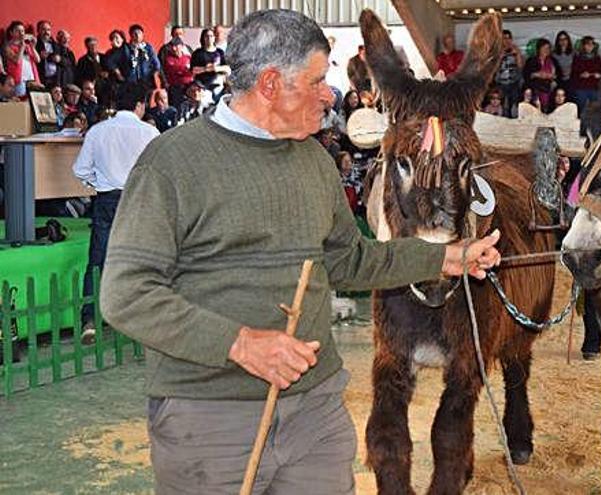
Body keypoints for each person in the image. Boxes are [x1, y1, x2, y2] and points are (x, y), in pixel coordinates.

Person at [99, 9, 501, 494]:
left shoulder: (314, 160)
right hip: (210, 420)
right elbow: (125, 293)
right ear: (270, 83)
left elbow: (348, 260)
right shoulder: (172, 164)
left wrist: (446, 258)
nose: (329, 93)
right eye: (316, 80)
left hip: (315, 415)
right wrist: (240, 344)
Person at [73, 82, 159, 342]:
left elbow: (80, 170)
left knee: (98, 260)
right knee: (141, 260)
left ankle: (89, 320)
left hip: (107, 200)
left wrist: (96, 183)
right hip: (138, 200)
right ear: (140, 105)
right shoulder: (150, 133)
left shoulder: (98, 131)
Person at [190, 28, 230, 102]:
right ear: (203, 38)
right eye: (207, 36)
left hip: (217, 84)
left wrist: (215, 68)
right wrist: (205, 69)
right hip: (202, 85)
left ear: (214, 38)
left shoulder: (219, 52)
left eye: (211, 36)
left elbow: (227, 68)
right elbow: (193, 70)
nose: (209, 38)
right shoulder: (197, 53)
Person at [4, 21, 41, 96]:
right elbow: (17, 61)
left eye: (23, 31)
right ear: (11, 33)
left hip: (32, 79)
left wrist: (33, 47)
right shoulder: (8, 47)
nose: (21, 33)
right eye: (18, 31)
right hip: (19, 81)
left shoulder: (27, 45)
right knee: (21, 103)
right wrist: (22, 46)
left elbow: (38, 60)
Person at [523, 38, 560, 110]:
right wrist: (537, 74)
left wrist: (551, 76)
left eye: (548, 48)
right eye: (544, 48)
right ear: (539, 49)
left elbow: (559, 75)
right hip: (535, 90)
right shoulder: (531, 60)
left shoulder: (553, 61)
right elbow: (526, 75)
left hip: (549, 90)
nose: (546, 50)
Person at [570, 35, 601, 114]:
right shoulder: (577, 58)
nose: (590, 47)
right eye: (588, 44)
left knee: (596, 110)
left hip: (594, 87)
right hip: (581, 88)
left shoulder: (597, 58)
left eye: (592, 45)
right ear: (583, 46)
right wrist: (581, 75)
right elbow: (573, 74)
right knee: (582, 109)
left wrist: (598, 75)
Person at [495, 29, 523, 118]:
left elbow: (520, 66)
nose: (506, 41)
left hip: (513, 82)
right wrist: (500, 57)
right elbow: (494, 68)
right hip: (501, 82)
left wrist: (517, 54)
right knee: (502, 104)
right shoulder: (496, 52)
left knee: (514, 103)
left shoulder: (515, 50)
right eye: (503, 38)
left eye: (508, 38)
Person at [162, 37, 192, 107]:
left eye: (176, 46)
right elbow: (167, 72)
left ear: (181, 46)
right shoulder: (168, 59)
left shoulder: (188, 58)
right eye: (172, 46)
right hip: (175, 87)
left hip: (188, 86)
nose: (174, 48)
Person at [102, 29, 128, 104]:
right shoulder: (109, 53)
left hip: (126, 83)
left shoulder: (127, 50)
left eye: (117, 37)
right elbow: (107, 64)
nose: (114, 40)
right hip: (112, 84)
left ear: (122, 39)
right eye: (112, 38)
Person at [35, 20, 58, 86]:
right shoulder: (35, 44)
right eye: (43, 29)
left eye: (48, 30)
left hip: (55, 79)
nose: (46, 32)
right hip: (41, 78)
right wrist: (39, 56)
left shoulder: (56, 45)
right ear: (38, 31)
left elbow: (66, 61)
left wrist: (60, 59)